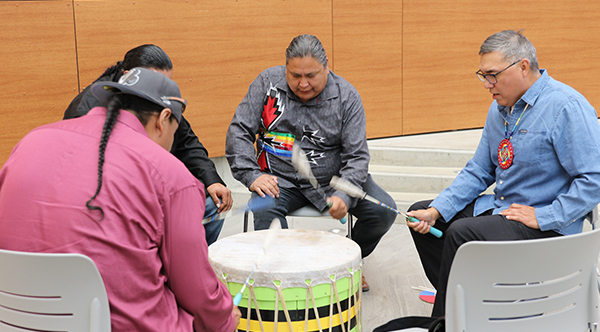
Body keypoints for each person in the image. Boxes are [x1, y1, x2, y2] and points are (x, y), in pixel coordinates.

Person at [0, 67, 241, 332]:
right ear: (164, 118)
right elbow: (197, 292)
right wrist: (226, 316)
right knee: (206, 318)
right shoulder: (171, 174)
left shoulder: (32, 140)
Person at [406, 30, 600, 317]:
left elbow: (594, 179)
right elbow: (479, 170)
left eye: (493, 74)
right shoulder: (498, 109)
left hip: (544, 225)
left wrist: (543, 216)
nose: (487, 84)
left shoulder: (565, 106)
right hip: (505, 209)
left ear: (523, 67)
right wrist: (437, 210)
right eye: (482, 75)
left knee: (462, 233)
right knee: (419, 214)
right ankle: (469, 304)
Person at [225, 34, 396, 292]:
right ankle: (285, 278)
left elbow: (357, 157)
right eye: (295, 75)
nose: (303, 84)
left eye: (311, 76)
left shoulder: (346, 97)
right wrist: (251, 175)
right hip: (278, 180)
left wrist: (344, 196)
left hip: (333, 180)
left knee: (384, 212)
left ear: (326, 66)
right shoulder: (266, 83)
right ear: (286, 68)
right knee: (264, 210)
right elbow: (239, 131)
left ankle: (347, 262)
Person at [64, 44, 232, 245]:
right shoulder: (87, 110)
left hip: (145, 187)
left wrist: (211, 180)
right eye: (156, 82)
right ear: (128, 77)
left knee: (208, 202)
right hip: (107, 200)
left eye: (166, 82)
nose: (161, 90)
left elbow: (186, 140)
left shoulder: (157, 99)